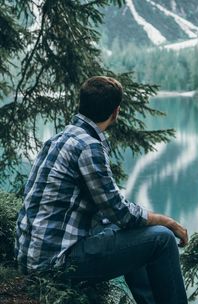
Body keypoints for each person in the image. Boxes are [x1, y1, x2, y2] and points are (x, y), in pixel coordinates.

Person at [15, 76, 188, 304]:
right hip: (54, 264)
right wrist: (168, 222)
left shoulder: (59, 138)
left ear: (82, 104)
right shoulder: (89, 146)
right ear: (116, 112)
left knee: (135, 233)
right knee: (162, 239)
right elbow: (121, 213)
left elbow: (114, 216)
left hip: (32, 256)